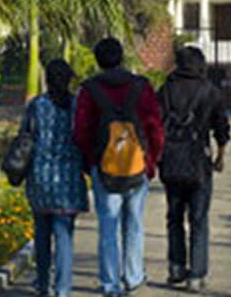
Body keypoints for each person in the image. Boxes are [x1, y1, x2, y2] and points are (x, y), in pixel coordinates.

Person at [73, 37, 164, 297]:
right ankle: (133, 276)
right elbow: (155, 127)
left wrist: (91, 162)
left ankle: (110, 283)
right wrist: (151, 161)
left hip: (104, 167)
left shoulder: (89, 90)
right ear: (122, 57)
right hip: (137, 164)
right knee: (134, 223)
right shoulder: (141, 87)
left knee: (108, 226)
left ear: (98, 60)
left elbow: (81, 131)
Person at [158, 46, 231, 292]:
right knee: (199, 219)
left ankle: (176, 266)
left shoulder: (166, 89)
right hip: (199, 161)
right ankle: (196, 275)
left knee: (174, 217)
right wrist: (220, 156)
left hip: (172, 160)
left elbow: (156, 123)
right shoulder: (210, 91)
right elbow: (221, 127)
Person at [24, 59, 88, 297]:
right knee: (64, 236)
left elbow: (25, 136)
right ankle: (62, 289)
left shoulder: (36, 105)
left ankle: (43, 284)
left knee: (41, 234)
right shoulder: (77, 106)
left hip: (40, 176)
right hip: (68, 178)